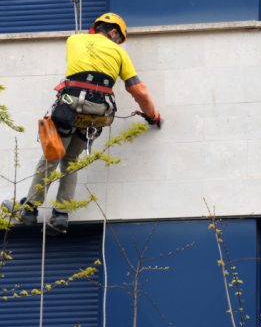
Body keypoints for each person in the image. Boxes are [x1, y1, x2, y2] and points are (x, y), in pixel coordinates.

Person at [20, 12, 161, 232]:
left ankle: (30, 209)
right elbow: (138, 90)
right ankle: (60, 215)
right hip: (99, 112)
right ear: (114, 32)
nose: (117, 42)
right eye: (118, 37)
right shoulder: (119, 53)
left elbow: (85, 54)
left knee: (53, 154)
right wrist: (152, 116)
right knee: (72, 159)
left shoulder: (74, 40)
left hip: (71, 105)